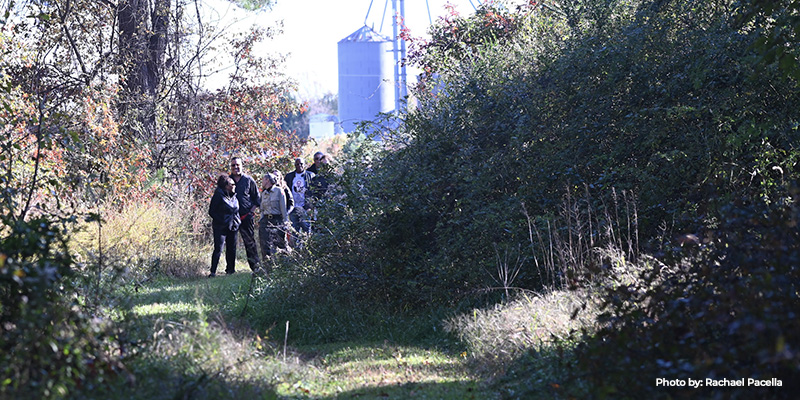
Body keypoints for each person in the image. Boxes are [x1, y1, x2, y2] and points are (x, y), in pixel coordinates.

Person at [229, 156, 261, 273]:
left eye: (237, 165)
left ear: (242, 166)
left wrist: (251, 212)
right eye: (233, 165)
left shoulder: (248, 180)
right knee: (231, 244)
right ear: (230, 167)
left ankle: (255, 267)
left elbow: (257, 199)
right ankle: (230, 270)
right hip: (231, 218)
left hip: (246, 217)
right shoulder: (227, 180)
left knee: (250, 242)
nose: (235, 167)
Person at [208, 175, 240, 277]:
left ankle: (230, 270)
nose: (235, 186)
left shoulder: (234, 196)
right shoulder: (218, 195)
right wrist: (221, 220)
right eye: (232, 184)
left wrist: (237, 221)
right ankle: (213, 272)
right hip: (220, 226)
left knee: (232, 248)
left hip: (233, 225)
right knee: (218, 248)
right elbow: (212, 211)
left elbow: (236, 211)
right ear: (226, 186)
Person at [259, 173, 289, 268]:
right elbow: (262, 210)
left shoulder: (279, 191)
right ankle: (267, 267)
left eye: (263, 179)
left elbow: (283, 208)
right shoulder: (263, 193)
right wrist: (261, 220)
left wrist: (286, 223)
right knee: (265, 244)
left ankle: (283, 266)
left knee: (280, 244)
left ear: (267, 180)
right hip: (266, 220)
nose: (262, 182)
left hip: (277, 220)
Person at [284, 157, 315, 246]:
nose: (299, 166)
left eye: (301, 164)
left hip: (305, 207)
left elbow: (314, 191)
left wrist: (310, 206)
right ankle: (295, 251)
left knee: (306, 229)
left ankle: (307, 249)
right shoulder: (289, 176)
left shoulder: (310, 175)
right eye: (297, 164)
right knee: (294, 230)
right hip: (293, 207)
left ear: (304, 164)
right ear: (295, 165)